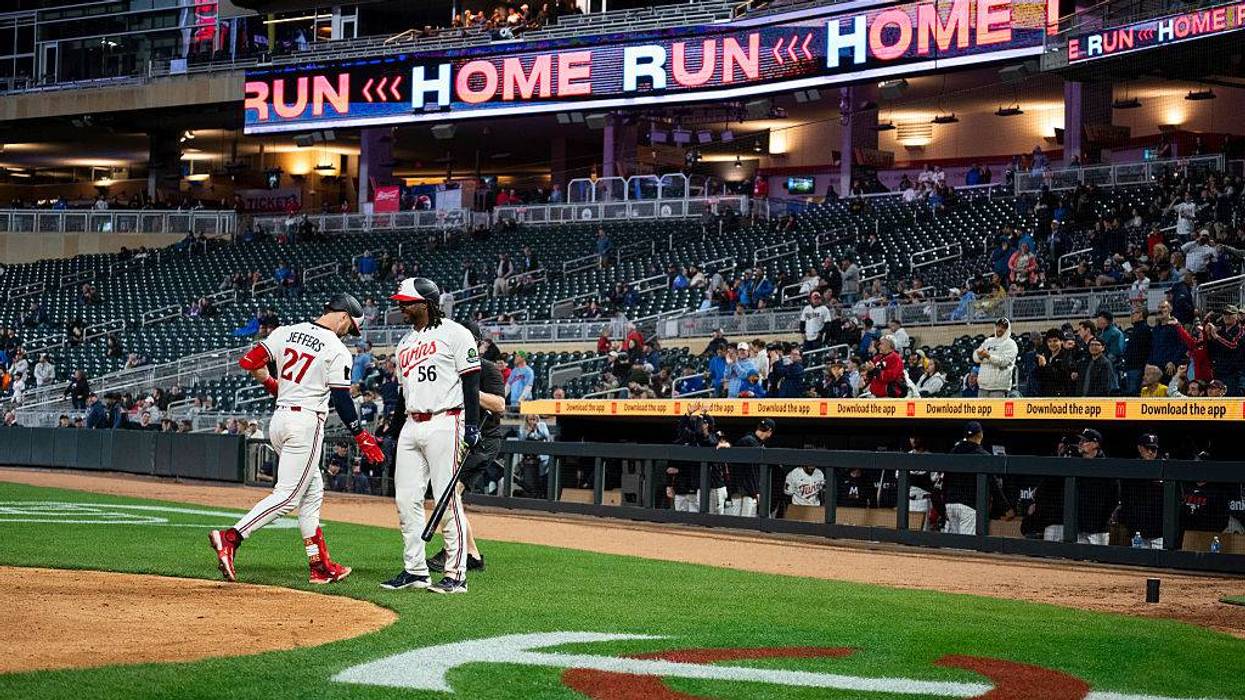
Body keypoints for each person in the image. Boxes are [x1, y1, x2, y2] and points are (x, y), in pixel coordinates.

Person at [209, 293, 384, 585]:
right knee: (288, 497)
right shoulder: (336, 348)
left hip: (279, 420)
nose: (349, 334)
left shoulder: (286, 332)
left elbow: (250, 361)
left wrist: (273, 383)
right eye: (350, 327)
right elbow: (341, 399)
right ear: (343, 316)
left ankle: (320, 566)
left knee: (312, 493)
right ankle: (231, 537)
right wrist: (361, 435)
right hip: (305, 423)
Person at [382, 277, 482, 594]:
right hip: (413, 423)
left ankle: (456, 575)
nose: (401, 305)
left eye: (406, 301)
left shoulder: (455, 333)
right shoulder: (404, 344)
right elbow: (403, 393)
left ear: (425, 303)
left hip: (446, 419)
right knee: (406, 500)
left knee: (446, 499)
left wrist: (472, 425)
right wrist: (396, 431)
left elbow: (471, 381)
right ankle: (415, 570)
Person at [427, 321, 506, 574]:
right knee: (449, 495)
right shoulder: (448, 369)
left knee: (450, 495)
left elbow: (499, 405)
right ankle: (470, 554)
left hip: (482, 440)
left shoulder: (486, 369)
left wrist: (470, 389)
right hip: (456, 438)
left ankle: (457, 550)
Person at [1119, 433, 1166, 549]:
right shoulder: (1132, 469)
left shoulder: (1165, 469)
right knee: (1138, 563)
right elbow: (1125, 499)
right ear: (1140, 448)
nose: (1150, 452)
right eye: (1147, 448)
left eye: (1154, 449)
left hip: (1159, 531)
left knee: (1158, 565)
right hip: (1137, 529)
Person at [944, 421, 988, 535]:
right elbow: (992, 483)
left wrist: (945, 501)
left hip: (951, 504)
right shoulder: (982, 454)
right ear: (980, 434)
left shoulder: (953, 451)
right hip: (968, 506)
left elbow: (945, 479)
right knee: (967, 547)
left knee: (954, 545)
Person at [728, 419, 774, 517]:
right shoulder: (749, 441)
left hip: (742, 487)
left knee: (740, 521)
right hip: (744, 488)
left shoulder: (755, 442)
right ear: (769, 431)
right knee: (742, 521)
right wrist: (756, 491)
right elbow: (752, 471)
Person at [973, 318, 1018, 397]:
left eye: (1003, 327)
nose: (1000, 329)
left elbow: (1003, 362)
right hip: (983, 387)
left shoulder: (1011, 344)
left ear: (1007, 329)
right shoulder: (988, 341)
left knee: (997, 409)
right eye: (998, 326)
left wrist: (988, 356)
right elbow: (975, 357)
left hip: (999, 388)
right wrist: (980, 356)